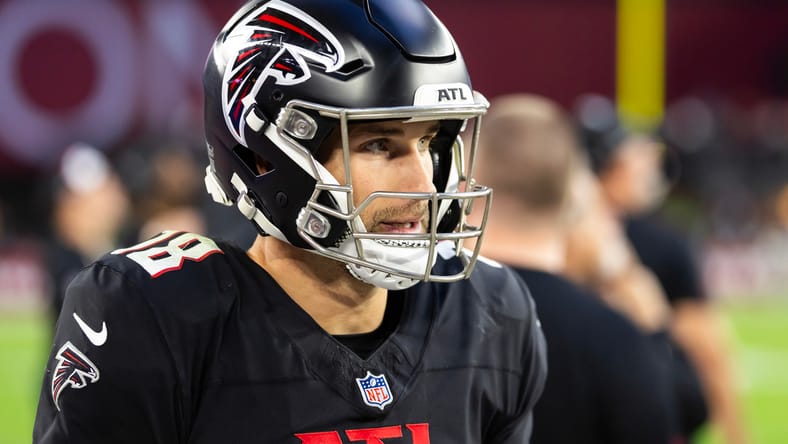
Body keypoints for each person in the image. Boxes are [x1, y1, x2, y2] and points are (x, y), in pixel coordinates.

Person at [32, 1, 547, 442]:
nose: (424, 183)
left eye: (433, 141)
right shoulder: (158, 317)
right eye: (378, 144)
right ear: (263, 158)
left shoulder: (492, 315)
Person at [469, 93, 678, 443]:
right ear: (574, 191)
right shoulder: (614, 335)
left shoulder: (420, 313)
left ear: (471, 180)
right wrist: (653, 328)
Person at [575, 94, 748, 444]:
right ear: (605, 164)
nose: (648, 170)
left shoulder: (661, 245)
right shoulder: (661, 246)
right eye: (634, 158)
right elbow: (710, 351)